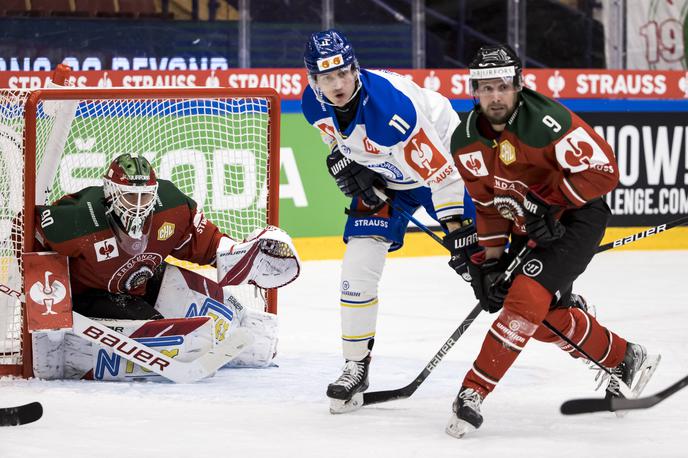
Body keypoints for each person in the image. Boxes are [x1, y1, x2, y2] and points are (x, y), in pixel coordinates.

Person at [447, 44, 660, 438]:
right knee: (540, 318)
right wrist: (492, 262)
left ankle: (471, 392)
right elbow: (488, 206)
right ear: (473, 90)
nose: (495, 96)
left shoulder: (548, 121)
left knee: (525, 297)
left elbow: (604, 170)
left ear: (518, 85)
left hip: (576, 219)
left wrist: (550, 203)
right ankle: (624, 357)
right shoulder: (464, 143)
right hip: (527, 225)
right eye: (486, 87)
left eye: (503, 86)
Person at [301, 29, 476, 413]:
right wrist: (345, 162)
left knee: (488, 270)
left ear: (355, 70)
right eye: (327, 78)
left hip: (444, 170)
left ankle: (560, 308)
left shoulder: (392, 113)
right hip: (391, 177)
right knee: (358, 262)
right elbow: (337, 140)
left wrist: (460, 234)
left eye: (343, 74)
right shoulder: (313, 105)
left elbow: (442, 177)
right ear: (314, 82)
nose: (337, 84)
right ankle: (355, 365)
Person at [31, 153, 299, 378]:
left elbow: (204, 244)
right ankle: (83, 353)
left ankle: (254, 338)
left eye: (144, 197)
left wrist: (235, 254)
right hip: (88, 294)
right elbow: (30, 235)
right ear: (111, 193)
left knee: (215, 308)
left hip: (143, 280)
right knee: (165, 332)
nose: (137, 206)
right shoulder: (80, 220)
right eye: (129, 197)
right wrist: (51, 310)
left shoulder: (170, 208)